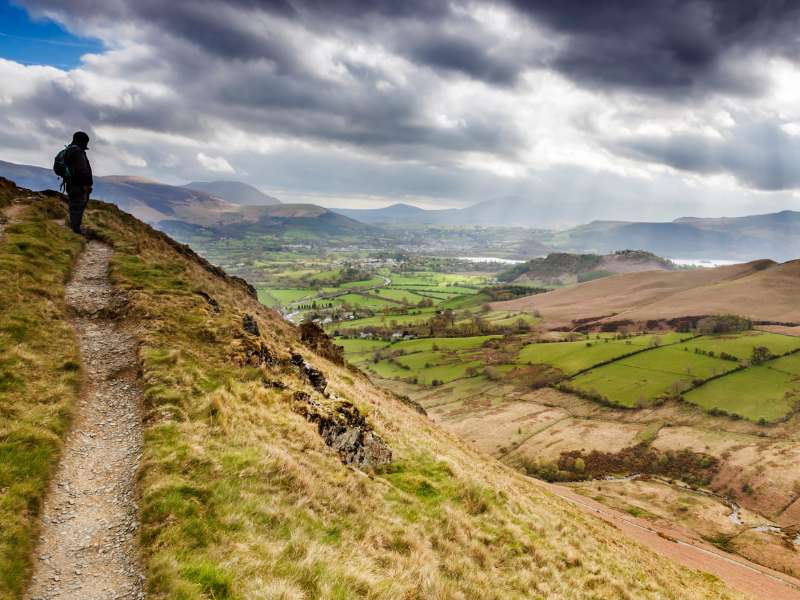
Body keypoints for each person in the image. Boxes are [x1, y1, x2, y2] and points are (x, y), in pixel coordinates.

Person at [64, 131, 93, 234]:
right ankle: (76, 231)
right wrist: (85, 185)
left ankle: (74, 228)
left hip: (71, 184)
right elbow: (82, 170)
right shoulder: (78, 152)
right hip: (79, 186)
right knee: (78, 207)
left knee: (74, 206)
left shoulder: (69, 150)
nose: (86, 144)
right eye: (85, 142)